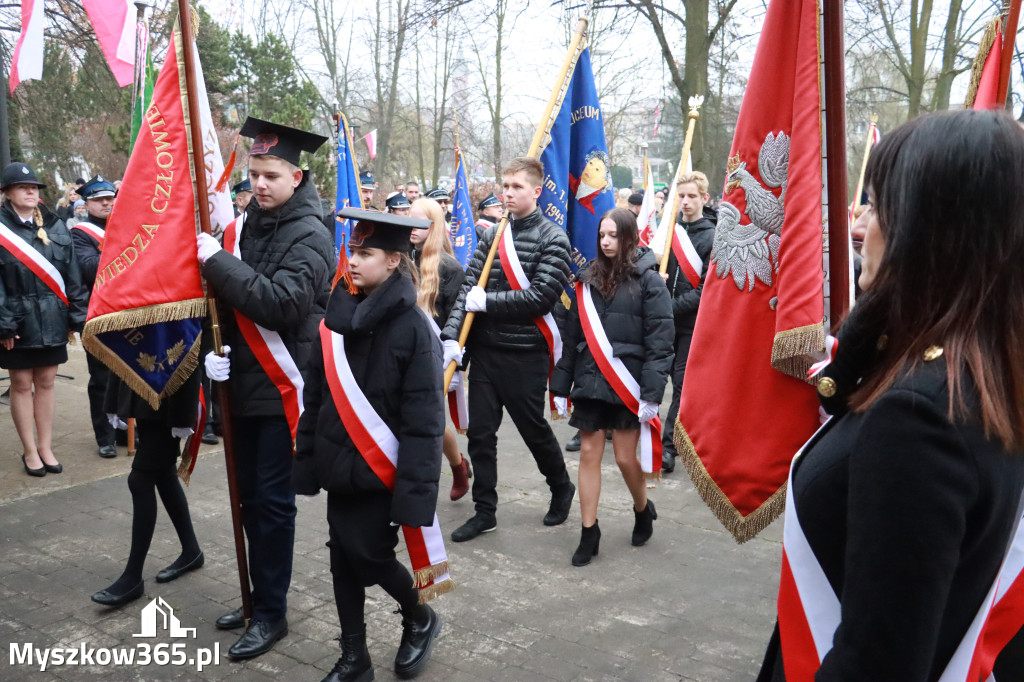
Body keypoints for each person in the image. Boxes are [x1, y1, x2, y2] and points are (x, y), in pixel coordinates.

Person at [757, 110, 1024, 680]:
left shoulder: (917, 415)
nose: (859, 223)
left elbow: (876, 662)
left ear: (925, 231)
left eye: (876, 205)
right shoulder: (989, 374)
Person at [196, 117, 335, 660]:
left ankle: (271, 614)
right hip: (241, 384)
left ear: (297, 177)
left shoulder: (313, 233)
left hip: (284, 388)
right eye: (254, 173)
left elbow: (281, 305)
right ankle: (255, 599)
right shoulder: (244, 225)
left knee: (274, 506)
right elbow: (226, 303)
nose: (260, 184)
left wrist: (218, 262)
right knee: (246, 500)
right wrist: (213, 350)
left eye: (272, 175)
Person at [294, 208, 446, 682]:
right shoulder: (334, 322)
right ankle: (354, 657)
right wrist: (307, 461)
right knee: (343, 558)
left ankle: (419, 615)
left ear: (395, 260)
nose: (354, 261)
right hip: (339, 464)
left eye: (366, 253)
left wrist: (415, 496)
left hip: (384, 471)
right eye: (352, 251)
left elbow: (425, 422)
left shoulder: (415, 328)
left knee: (371, 555)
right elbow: (315, 397)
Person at [442, 156, 576, 542]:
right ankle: (485, 511)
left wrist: (490, 302)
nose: (508, 193)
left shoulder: (554, 238)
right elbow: (469, 289)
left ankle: (561, 486)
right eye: (505, 185)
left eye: (517, 187)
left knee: (533, 430)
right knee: (481, 436)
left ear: (536, 191)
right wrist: (453, 336)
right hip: (485, 351)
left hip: (524, 353)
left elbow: (540, 297)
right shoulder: (492, 234)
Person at [550, 208, 673, 565]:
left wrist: (652, 394)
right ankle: (589, 531)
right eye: (602, 235)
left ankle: (641, 508)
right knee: (589, 453)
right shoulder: (586, 280)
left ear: (629, 237)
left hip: (627, 382)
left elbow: (660, 343)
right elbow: (571, 336)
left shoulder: (650, 282)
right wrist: (560, 386)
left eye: (613, 236)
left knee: (623, 457)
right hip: (590, 379)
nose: (605, 242)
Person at [0, 162, 88, 476]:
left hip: (52, 318)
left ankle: (46, 446)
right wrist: (4, 323)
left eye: (34, 187)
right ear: (6, 193)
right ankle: (29, 450)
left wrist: (77, 317)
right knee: (22, 384)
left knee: (47, 383)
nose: (30, 191)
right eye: (23, 187)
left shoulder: (54, 226)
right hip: (18, 321)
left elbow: (72, 274)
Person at [90, 369, 204, 607]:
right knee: (163, 474)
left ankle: (132, 577)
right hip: (145, 387)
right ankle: (191, 551)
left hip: (171, 391)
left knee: (140, 480)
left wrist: (184, 413)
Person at [410, 197, 472, 501]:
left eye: (420, 220)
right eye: (410, 218)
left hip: (436, 354)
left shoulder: (449, 266)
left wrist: (455, 361)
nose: (412, 225)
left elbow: (457, 318)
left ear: (434, 226)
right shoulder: (403, 256)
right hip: (404, 350)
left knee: (431, 419)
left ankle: (458, 467)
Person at [654, 171, 715, 473]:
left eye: (692, 196)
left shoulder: (712, 237)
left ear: (704, 198)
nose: (686, 201)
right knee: (652, 379)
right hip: (663, 324)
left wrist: (668, 307)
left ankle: (668, 447)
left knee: (680, 386)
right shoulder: (668, 234)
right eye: (681, 196)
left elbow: (706, 291)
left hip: (692, 326)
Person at [71, 175, 122, 458]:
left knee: (129, 373)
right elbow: (91, 269)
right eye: (99, 200)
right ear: (87, 203)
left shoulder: (125, 225)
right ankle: (105, 435)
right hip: (98, 314)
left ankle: (127, 427)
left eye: (109, 198)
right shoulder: (80, 232)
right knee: (102, 379)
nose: (106, 203)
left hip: (127, 311)